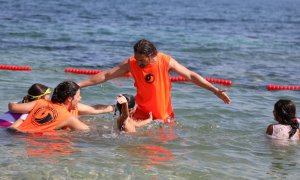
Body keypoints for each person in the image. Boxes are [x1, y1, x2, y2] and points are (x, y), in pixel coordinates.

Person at [78, 39, 231, 123]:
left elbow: (190, 76)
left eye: (142, 60)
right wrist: (78, 85)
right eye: (137, 59)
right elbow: (106, 75)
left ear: (153, 55)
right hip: (140, 113)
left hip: (164, 116)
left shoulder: (166, 61)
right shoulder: (131, 63)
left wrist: (215, 90)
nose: (138, 63)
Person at [7, 81, 93, 132]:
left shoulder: (40, 102)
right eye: (78, 96)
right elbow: (87, 131)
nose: (80, 98)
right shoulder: (69, 118)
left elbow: (14, 108)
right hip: (32, 141)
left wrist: (12, 103)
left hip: (13, 133)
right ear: (69, 99)